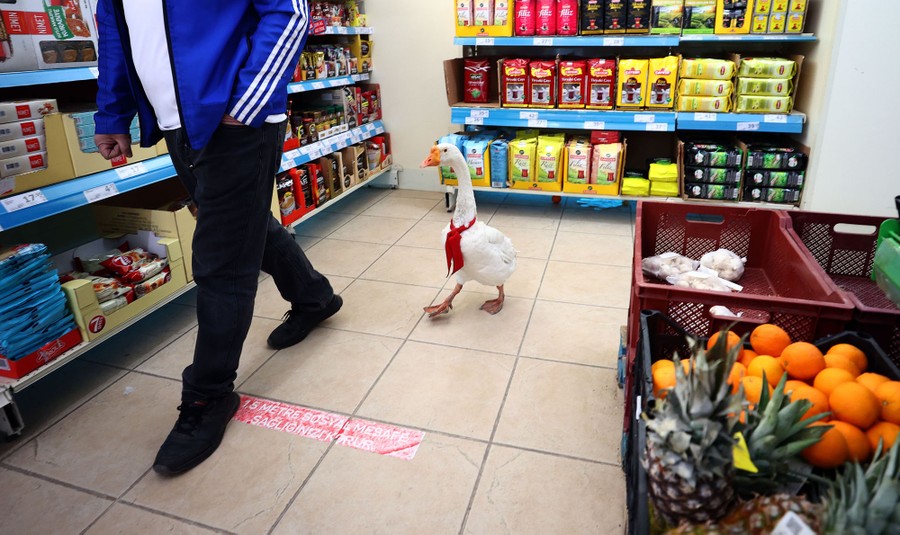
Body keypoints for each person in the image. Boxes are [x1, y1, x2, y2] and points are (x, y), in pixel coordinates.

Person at [93, 0, 342, 476]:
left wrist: (248, 99)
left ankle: (208, 397)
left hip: (236, 120)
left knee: (220, 262)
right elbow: (117, 33)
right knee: (245, 226)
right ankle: (314, 297)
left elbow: (289, 12)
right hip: (178, 125)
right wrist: (112, 113)